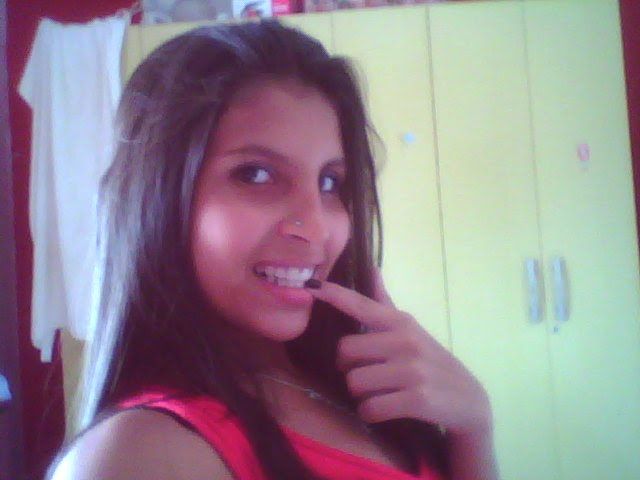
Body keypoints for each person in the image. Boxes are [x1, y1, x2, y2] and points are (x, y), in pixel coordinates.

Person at [47, 20, 499, 480]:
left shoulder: (353, 383)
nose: (316, 227)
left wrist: (473, 430)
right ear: (158, 202)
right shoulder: (145, 453)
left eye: (330, 182)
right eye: (256, 175)